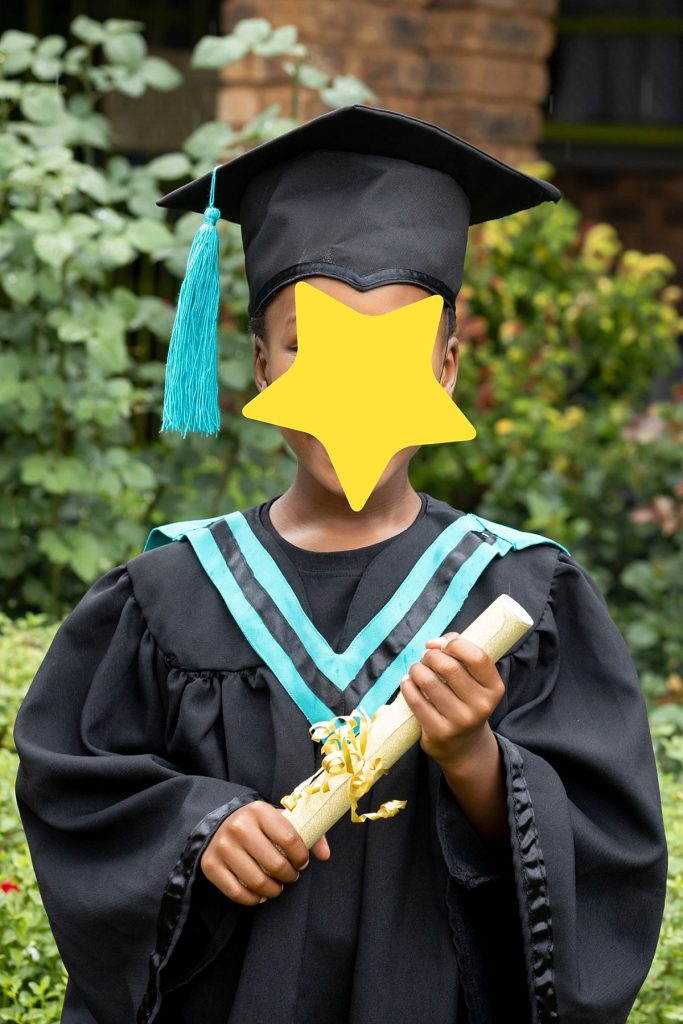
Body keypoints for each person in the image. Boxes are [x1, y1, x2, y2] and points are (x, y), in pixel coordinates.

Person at [13, 105, 667, 1024]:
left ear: (444, 367)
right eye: (306, 345)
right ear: (258, 367)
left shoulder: (521, 595)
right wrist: (196, 829)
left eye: (393, 350)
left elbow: (607, 859)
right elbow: (75, 786)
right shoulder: (169, 595)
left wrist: (475, 758)